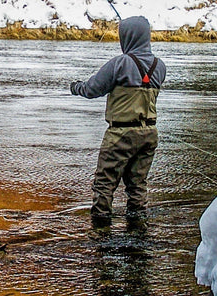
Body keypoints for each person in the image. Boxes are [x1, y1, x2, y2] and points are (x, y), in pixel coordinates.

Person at [70, 16, 167, 226]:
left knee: (104, 184)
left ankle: (100, 232)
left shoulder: (120, 63)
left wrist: (75, 87)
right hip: (149, 134)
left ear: (127, 37)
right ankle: (138, 230)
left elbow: (91, 89)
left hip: (120, 135)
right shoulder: (160, 66)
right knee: (138, 185)